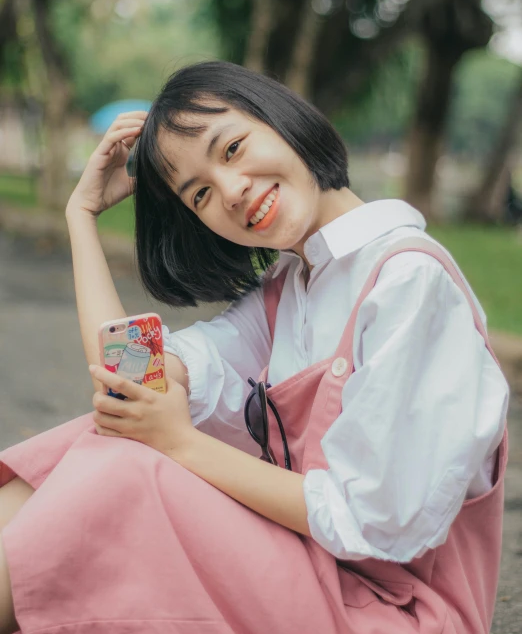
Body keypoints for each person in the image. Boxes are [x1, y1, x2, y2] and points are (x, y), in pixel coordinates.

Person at [0, 61, 510, 634]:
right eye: (200, 194)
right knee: (105, 437)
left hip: (397, 615)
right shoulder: (288, 291)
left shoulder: (410, 283)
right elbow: (132, 386)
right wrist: (82, 216)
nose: (232, 190)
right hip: (313, 579)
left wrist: (180, 443)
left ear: (283, 118)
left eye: (233, 148)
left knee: (126, 468)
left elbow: (376, 523)